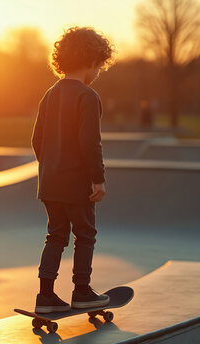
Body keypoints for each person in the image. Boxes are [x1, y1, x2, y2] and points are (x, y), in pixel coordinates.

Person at [31, 26, 115, 313]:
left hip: (50, 184)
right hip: (77, 184)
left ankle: (45, 296)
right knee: (85, 235)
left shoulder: (50, 94)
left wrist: (51, 166)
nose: (100, 72)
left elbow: (36, 140)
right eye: (101, 66)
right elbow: (90, 142)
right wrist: (98, 180)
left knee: (55, 236)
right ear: (92, 61)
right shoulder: (87, 97)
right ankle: (81, 291)